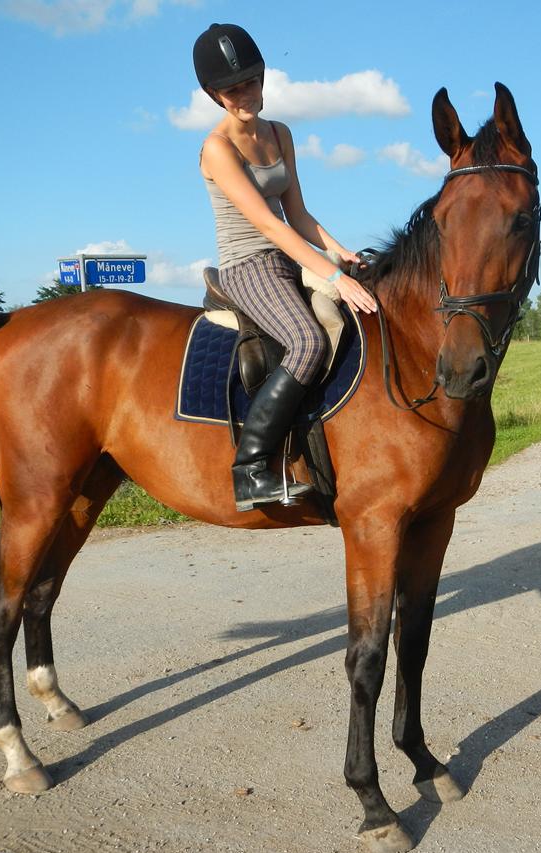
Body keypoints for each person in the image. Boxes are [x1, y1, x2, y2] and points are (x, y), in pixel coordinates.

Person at [193, 22, 376, 513]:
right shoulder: (217, 148)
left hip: (287, 251)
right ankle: (250, 467)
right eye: (232, 89)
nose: (245, 94)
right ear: (215, 95)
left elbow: (298, 215)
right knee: (307, 340)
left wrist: (345, 257)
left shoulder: (280, 134)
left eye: (251, 81)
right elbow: (269, 229)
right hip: (248, 264)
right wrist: (331, 276)